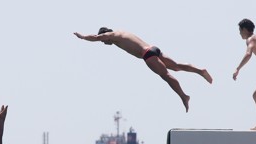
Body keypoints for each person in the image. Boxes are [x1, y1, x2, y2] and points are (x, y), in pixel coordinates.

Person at [74, 28, 213, 112]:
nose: (105, 43)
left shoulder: (112, 35)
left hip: (147, 54)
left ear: (105, 34)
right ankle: (200, 71)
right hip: (153, 48)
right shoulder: (122, 32)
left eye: (104, 42)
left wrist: (83, 37)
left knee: (166, 75)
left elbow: (96, 37)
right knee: (176, 66)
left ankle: (183, 96)